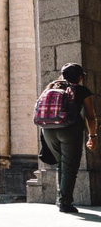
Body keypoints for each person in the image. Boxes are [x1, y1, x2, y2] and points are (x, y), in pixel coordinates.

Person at [41, 63, 98, 213]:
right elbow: (90, 117)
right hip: (70, 130)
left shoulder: (51, 87)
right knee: (69, 167)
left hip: (48, 130)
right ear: (80, 77)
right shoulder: (82, 90)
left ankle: (60, 199)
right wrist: (92, 136)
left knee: (62, 164)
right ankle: (65, 203)